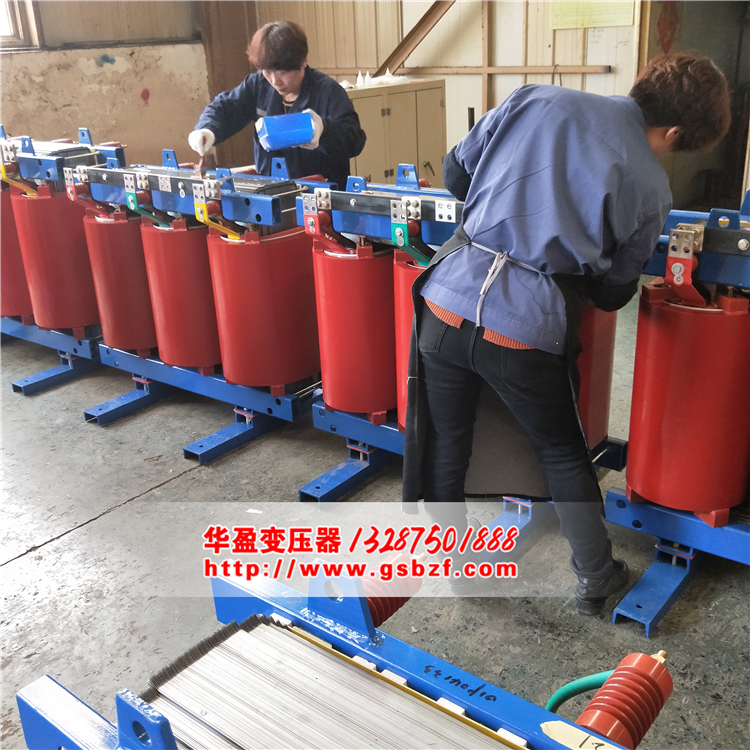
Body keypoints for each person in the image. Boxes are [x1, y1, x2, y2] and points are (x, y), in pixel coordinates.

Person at [402, 53, 731, 610]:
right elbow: (613, 293)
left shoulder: (533, 97)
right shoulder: (652, 187)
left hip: (445, 302)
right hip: (522, 330)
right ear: (676, 132)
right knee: (560, 452)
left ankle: (456, 566)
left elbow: (456, 175)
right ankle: (596, 578)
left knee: (448, 440)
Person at [189, 20, 366, 189]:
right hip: (271, 192)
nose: (275, 81)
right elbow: (227, 107)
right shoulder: (258, 85)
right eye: (267, 72)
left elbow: (354, 140)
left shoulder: (328, 92)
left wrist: (324, 129)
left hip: (320, 196)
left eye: (283, 73)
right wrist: (206, 129)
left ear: (303, 61)